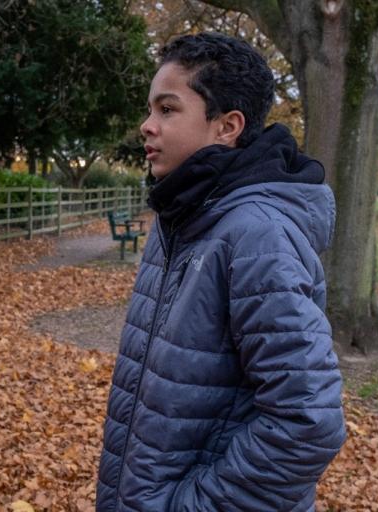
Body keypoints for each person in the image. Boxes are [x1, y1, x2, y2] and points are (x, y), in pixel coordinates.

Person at [97, 33, 346, 511]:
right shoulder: (181, 218)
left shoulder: (256, 235)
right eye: (150, 109)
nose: (147, 126)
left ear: (227, 126)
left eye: (167, 110)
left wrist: (191, 505)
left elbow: (307, 419)